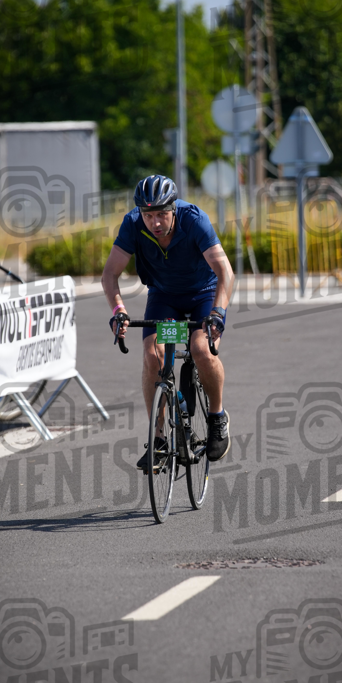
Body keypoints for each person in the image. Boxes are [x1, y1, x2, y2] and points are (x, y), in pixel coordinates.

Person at [102, 174, 234, 470]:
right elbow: (110, 274)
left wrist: (218, 313)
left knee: (201, 349)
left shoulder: (194, 219)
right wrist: (118, 310)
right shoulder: (132, 224)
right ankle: (159, 440)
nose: (155, 222)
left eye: (162, 213)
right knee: (153, 356)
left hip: (203, 294)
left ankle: (217, 417)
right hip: (164, 297)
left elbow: (225, 271)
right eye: (149, 215)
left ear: (173, 209)